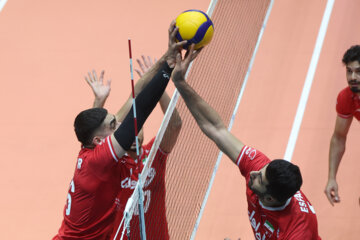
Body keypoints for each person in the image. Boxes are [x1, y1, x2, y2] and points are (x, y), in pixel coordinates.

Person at [53, 21, 195, 240]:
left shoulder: (94, 150)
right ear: (100, 141)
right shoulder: (101, 160)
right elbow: (142, 106)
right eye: (114, 125)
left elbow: (133, 99)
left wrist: (167, 56)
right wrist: (168, 70)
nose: (120, 124)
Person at [171, 52, 321, 239]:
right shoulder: (259, 168)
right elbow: (216, 129)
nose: (254, 173)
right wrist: (180, 82)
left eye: (259, 179)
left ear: (270, 198)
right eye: (261, 170)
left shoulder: (297, 232)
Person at [85, 55, 190, 239]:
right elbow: (92, 139)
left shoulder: (153, 155)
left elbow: (175, 124)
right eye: (127, 131)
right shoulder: (112, 163)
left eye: (137, 129)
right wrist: (98, 102)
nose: (133, 135)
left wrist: (158, 86)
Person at [324, 45, 360, 206]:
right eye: (349, 71)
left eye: (359, 72)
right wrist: (332, 177)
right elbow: (339, 137)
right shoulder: (347, 98)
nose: (353, 77)